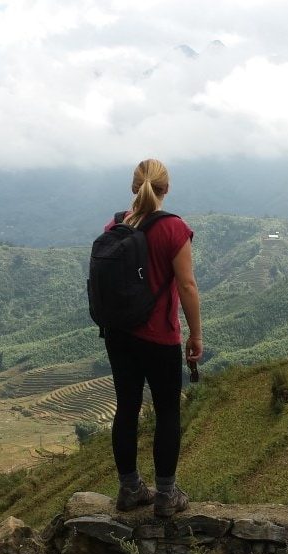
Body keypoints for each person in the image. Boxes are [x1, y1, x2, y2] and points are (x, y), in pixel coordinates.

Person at [103, 158, 202, 517]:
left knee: (126, 408)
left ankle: (130, 489)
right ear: (166, 189)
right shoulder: (174, 229)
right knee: (167, 413)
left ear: (134, 187)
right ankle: (166, 495)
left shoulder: (115, 224)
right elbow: (187, 285)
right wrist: (196, 335)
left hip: (118, 334)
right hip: (159, 336)